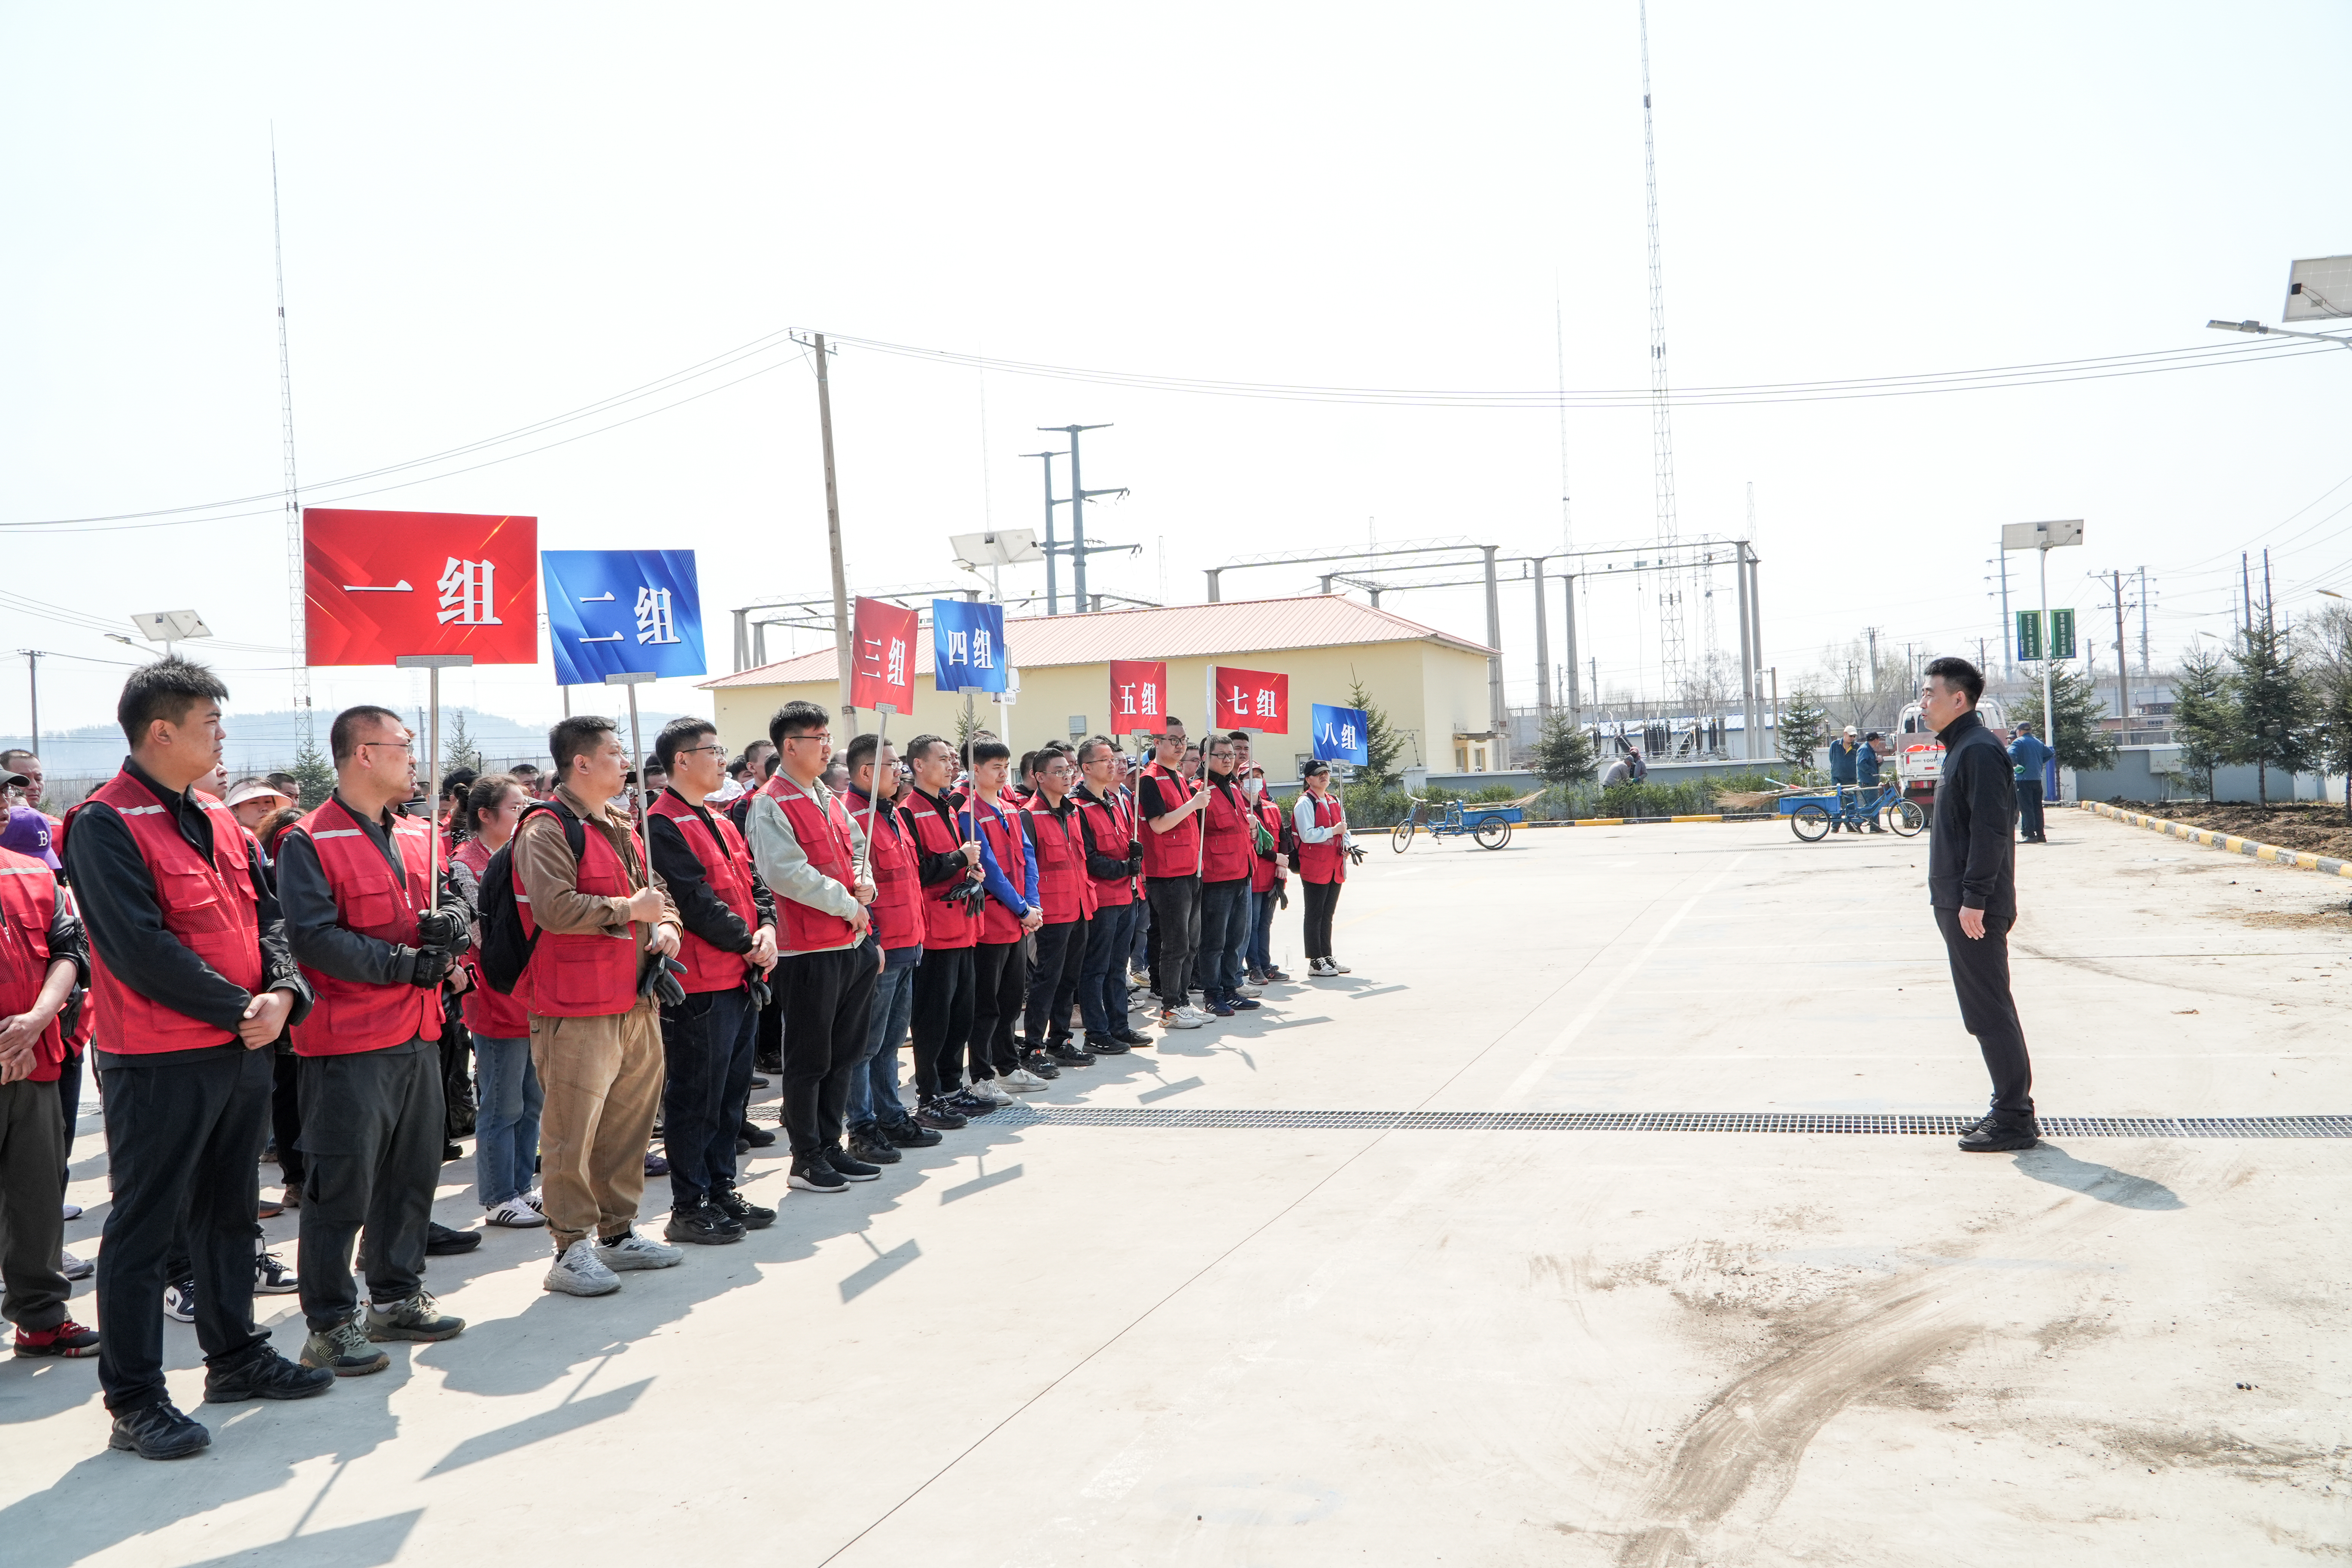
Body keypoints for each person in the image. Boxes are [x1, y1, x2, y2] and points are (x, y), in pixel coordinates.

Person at [62, 657, 331, 1459]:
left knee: (227, 1213)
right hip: (161, 1060)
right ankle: (135, 1399)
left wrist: (282, 993)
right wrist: (240, 1008)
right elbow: (136, 946)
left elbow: (271, 918)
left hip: (242, 1046)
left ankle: (236, 1355)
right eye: (210, 723)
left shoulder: (218, 818)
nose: (221, 738)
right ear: (161, 730)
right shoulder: (103, 822)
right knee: (145, 1229)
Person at [273, 706, 473, 1374]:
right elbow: (314, 938)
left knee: (411, 1176)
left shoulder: (418, 833)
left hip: (419, 1031)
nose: (414, 756)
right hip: (348, 1042)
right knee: (342, 1189)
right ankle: (329, 1322)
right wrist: (403, 965)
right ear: (364, 752)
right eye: (403, 745)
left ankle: (395, 1293)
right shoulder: (310, 839)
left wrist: (452, 919)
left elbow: (455, 894)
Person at [514, 714, 687, 1296]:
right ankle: (570, 1246)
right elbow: (555, 908)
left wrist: (667, 927)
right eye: (614, 752)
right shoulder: (545, 828)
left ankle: (618, 1232)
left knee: (629, 1124)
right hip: (576, 1005)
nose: (625, 762)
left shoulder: (621, 824)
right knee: (571, 1132)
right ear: (581, 763)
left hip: (634, 999)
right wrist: (629, 911)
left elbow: (658, 901)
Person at [646, 718, 778, 1242]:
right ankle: (689, 1204)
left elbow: (754, 886)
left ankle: (722, 1190)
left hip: (740, 977)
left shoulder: (721, 821)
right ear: (683, 760)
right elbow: (696, 903)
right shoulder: (662, 825)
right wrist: (748, 942)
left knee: (730, 1096)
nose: (723, 760)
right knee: (695, 1097)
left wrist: (766, 928)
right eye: (713, 751)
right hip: (702, 984)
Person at [746, 702, 883, 1193]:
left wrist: (865, 885)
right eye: (818, 738)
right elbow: (786, 873)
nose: (828, 747)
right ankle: (805, 1157)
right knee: (810, 1058)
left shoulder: (829, 796)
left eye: (828, 738)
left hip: (851, 941)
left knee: (845, 1053)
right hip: (807, 950)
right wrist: (849, 902)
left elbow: (859, 849)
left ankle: (831, 1145)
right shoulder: (770, 802)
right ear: (789, 746)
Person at [1919, 656, 2038, 1153]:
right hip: (1961, 903)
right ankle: (2009, 1110)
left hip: (1974, 908)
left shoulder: (1978, 752)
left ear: (1959, 699)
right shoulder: (1961, 749)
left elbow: (1992, 833)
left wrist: (1974, 899)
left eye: (1930, 694)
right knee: (1984, 1010)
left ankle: (2014, 1117)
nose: (1923, 703)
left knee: (1989, 1011)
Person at [0, 834, 100, 1362]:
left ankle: (40, 1322)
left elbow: (71, 951)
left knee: (36, 1196)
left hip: (33, 1058)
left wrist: (35, 1022)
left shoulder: (33, 873)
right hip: (16, 1051)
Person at [449, 774, 544, 1228]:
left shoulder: (525, 852)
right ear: (484, 815)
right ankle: (498, 1194)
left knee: (531, 1098)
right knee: (502, 1102)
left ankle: (523, 1185)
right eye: (514, 807)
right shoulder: (464, 865)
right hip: (496, 993)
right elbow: (483, 934)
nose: (523, 815)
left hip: (534, 991)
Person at [841, 733, 939, 1164]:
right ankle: (862, 1126)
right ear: (866, 772)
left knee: (890, 1040)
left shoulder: (891, 814)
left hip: (908, 943)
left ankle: (891, 1114)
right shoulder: (852, 818)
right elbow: (857, 893)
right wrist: (873, 943)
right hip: (880, 949)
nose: (900, 771)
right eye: (892, 765)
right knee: (865, 1044)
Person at [901, 734, 986, 1129]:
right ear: (918, 765)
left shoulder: (949, 808)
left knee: (961, 1013)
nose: (952, 764)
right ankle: (929, 1093)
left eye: (954, 758)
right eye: (943, 758)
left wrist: (971, 870)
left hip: (963, 925)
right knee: (934, 1016)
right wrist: (959, 858)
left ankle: (952, 1085)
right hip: (935, 931)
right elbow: (919, 870)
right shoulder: (908, 812)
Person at [961, 740, 1046, 1097]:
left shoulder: (1010, 809)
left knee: (1012, 1000)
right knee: (987, 1004)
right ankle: (982, 1075)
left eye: (1005, 765)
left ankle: (1009, 1066)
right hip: (992, 923)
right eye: (995, 766)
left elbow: (1028, 856)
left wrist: (1033, 904)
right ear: (975, 770)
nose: (1001, 773)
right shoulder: (968, 813)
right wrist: (1022, 909)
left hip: (1018, 919)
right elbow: (990, 870)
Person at [1021, 746, 1097, 1068]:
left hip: (1080, 907)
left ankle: (1061, 1040)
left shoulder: (1074, 812)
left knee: (1070, 979)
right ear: (1039, 777)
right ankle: (1034, 1047)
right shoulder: (1028, 816)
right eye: (1058, 771)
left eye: (1069, 770)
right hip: (1051, 912)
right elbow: (1026, 868)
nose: (1067, 776)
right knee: (1047, 979)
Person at [1072, 737, 1148, 1056]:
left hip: (1125, 895)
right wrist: (1123, 868)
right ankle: (1097, 1031)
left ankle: (1119, 1025)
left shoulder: (1115, 801)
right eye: (1105, 760)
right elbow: (1088, 858)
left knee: (1118, 967)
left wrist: (1133, 861)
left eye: (1115, 759)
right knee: (1097, 968)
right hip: (1102, 898)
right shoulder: (1079, 806)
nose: (1114, 764)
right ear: (1086, 768)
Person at [1137, 720, 1212, 1031]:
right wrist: (1193, 805)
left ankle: (1182, 1000)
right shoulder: (1151, 779)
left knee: (1191, 941)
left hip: (1190, 869)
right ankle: (1170, 1006)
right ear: (1157, 742)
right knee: (1175, 942)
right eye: (1173, 739)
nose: (1180, 745)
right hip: (1167, 872)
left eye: (1183, 739)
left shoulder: (1178, 777)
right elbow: (1158, 825)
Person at [1194, 736, 1258, 1017]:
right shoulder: (1199, 790)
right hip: (1217, 876)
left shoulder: (1233, 786)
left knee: (1236, 937)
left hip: (1242, 871)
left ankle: (1232, 988)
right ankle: (1213, 994)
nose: (1228, 759)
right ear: (1206, 758)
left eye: (1231, 754)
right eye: (1221, 755)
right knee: (1214, 941)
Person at [1293, 760, 1355, 977]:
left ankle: (1326, 955)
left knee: (1327, 913)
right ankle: (1315, 960)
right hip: (1315, 865)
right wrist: (1333, 831)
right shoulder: (1305, 803)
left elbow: (1344, 828)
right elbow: (1307, 834)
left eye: (1326, 773)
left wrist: (1347, 843)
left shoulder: (1333, 800)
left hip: (1334, 864)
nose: (1324, 777)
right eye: (1318, 774)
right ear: (1308, 779)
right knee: (1314, 913)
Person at [1243, 766, 1290, 984]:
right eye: (1248, 777)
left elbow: (1284, 838)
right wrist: (1276, 858)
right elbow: (1256, 845)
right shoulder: (1241, 809)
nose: (1254, 781)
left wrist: (1283, 864)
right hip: (1251, 876)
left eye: (1258, 776)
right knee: (1251, 924)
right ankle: (1254, 968)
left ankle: (1266, 964)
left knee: (1265, 923)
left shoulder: (1272, 808)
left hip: (1272, 877)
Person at [2008, 723, 2051, 844]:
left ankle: (2029, 835)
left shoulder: (2018, 742)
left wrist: (2016, 765)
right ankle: (2041, 835)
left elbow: (2010, 754)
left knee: (2026, 808)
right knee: (2037, 808)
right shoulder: (2038, 742)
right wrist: (2037, 763)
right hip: (2037, 779)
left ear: (2019, 731)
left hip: (2023, 780)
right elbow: (2049, 754)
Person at [223, 778, 296, 838]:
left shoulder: (286, 839)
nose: (264, 808)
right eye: (254, 803)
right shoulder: (228, 842)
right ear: (235, 810)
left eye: (268, 802)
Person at [1852, 732, 1889, 834]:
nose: (1879, 742)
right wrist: (1872, 772)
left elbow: (1870, 763)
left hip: (1872, 781)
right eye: (1879, 740)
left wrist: (1878, 762)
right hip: (1867, 781)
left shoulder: (1869, 750)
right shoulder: (1865, 749)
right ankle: (1857, 823)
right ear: (1875, 740)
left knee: (1874, 805)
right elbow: (1861, 763)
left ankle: (1875, 826)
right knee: (1870, 806)